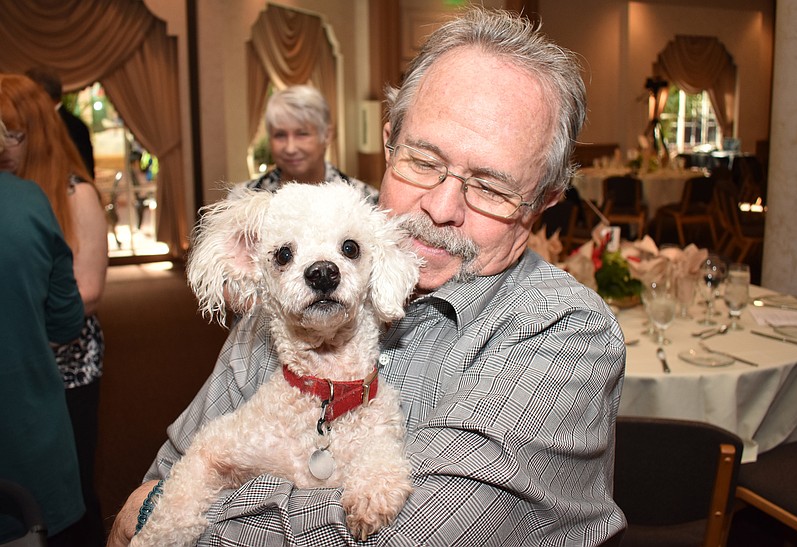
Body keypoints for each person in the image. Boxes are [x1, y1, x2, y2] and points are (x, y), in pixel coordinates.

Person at [109, 8, 626, 546]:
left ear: (543, 201)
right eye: (423, 160)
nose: (441, 207)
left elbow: (410, 534)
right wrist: (157, 502)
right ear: (388, 142)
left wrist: (163, 518)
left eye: (491, 188)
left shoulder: (565, 333)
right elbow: (171, 469)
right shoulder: (288, 295)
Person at [0, 73, 109, 546]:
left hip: (71, 362)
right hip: (32, 362)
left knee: (72, 483)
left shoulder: (73, 193)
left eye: (15, 133)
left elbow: (88, 291)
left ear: (38, 133)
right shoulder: (19, 197)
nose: (5, 144)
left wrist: (25, 332)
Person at [242, 84, 376, 200]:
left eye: (302, 134)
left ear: (327, 135)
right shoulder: (243, 199)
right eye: (280, 135)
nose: (290, 148)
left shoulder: (363, 199)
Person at [24, 66, 96, 179]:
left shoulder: (73, 126)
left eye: (28, 95)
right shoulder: (32, 123)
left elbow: (83, 172)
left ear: (42, 94)